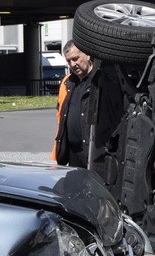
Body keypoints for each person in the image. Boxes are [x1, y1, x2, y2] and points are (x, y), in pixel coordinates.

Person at [52, 41, 123, 179]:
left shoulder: (101, 80)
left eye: (75, 59)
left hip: (93, 152)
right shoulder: (69, 83)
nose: (73, 64)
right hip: (73, 153)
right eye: (69, 61)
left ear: (87, 55)